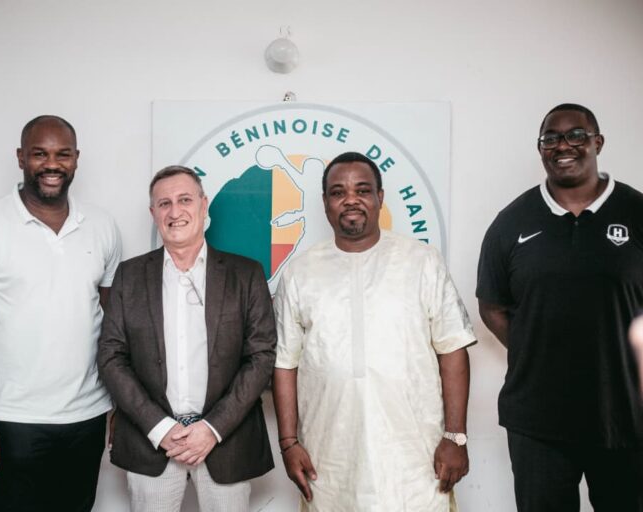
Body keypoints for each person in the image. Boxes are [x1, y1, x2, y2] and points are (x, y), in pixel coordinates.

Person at [273, 151, 476, 511]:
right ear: (325, 203)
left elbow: (453, 350)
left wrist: (455, 437)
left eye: (362, 190)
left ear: (380, 198)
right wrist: (289, 443)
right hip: (328, 457)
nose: (350, 199)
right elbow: (285, 363)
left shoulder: (422, 261)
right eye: (338, 192)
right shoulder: (300, 273)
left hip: (415, 459)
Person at [0, 115, 122, 512]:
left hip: (87, 414)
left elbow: (115, 325)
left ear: (76, 159)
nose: (51, 164)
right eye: (39, 154)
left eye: (62, 154)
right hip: (12, 418)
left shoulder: (102, 225)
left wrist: (120, 406)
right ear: (20, 157)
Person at [477, 103, 643, 511]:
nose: (563, 145)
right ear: (541, 149)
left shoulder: (637, 213)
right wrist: (536, 349)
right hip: (538, 420)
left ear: (597, 142)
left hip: (624, 413)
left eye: (576, 135)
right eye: (551, 138)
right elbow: (491, 304)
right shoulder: (511, 222)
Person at [97, 166, 276, 512]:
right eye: (164, 204)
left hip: (227, 441)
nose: (174, 212)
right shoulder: (130, 275)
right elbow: (110, 355)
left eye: (184, 200)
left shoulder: (246, 274)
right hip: (152, 443)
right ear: (153, 214)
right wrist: (159, 427)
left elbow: (261, 356)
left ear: (204, 205)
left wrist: (212, 428)